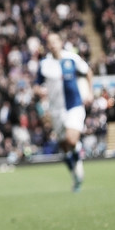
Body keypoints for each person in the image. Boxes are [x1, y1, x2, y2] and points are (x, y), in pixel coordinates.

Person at [36, 32, 91, 191]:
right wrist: (39, 92)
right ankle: (75, 175)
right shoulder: (44, 64)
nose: (53, 45)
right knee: (64, 147)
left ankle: (78, 163)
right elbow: (37, 84)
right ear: (47, 45)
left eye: (55, 41)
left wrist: (90, 93)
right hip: (55, 110)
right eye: (49, 42)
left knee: (71, 140)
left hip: (74, 106)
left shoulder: (71, 58)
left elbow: (88, 72)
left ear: (60, 42)